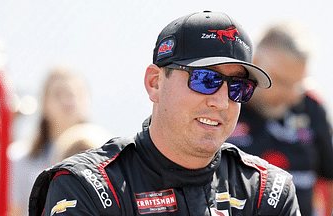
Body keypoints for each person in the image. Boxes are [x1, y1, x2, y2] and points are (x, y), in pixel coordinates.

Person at [29, 11, 301, 215]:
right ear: (155, 83)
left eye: (238, 87)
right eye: (205, 79)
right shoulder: (86, 187)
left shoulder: (268, 191)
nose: (221, 101)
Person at [226, 18, 333, 216]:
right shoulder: (223, 101)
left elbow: (330, 177)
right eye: (283, 82)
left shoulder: (311, 105)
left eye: (298, 84)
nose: (291, 94)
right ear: (255, 64)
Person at [10, 64, 92, 215]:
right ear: (44, 103)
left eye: (75, 94)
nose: (68, 100)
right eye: (59, 93)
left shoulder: (109, 158)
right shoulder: (19, 159)